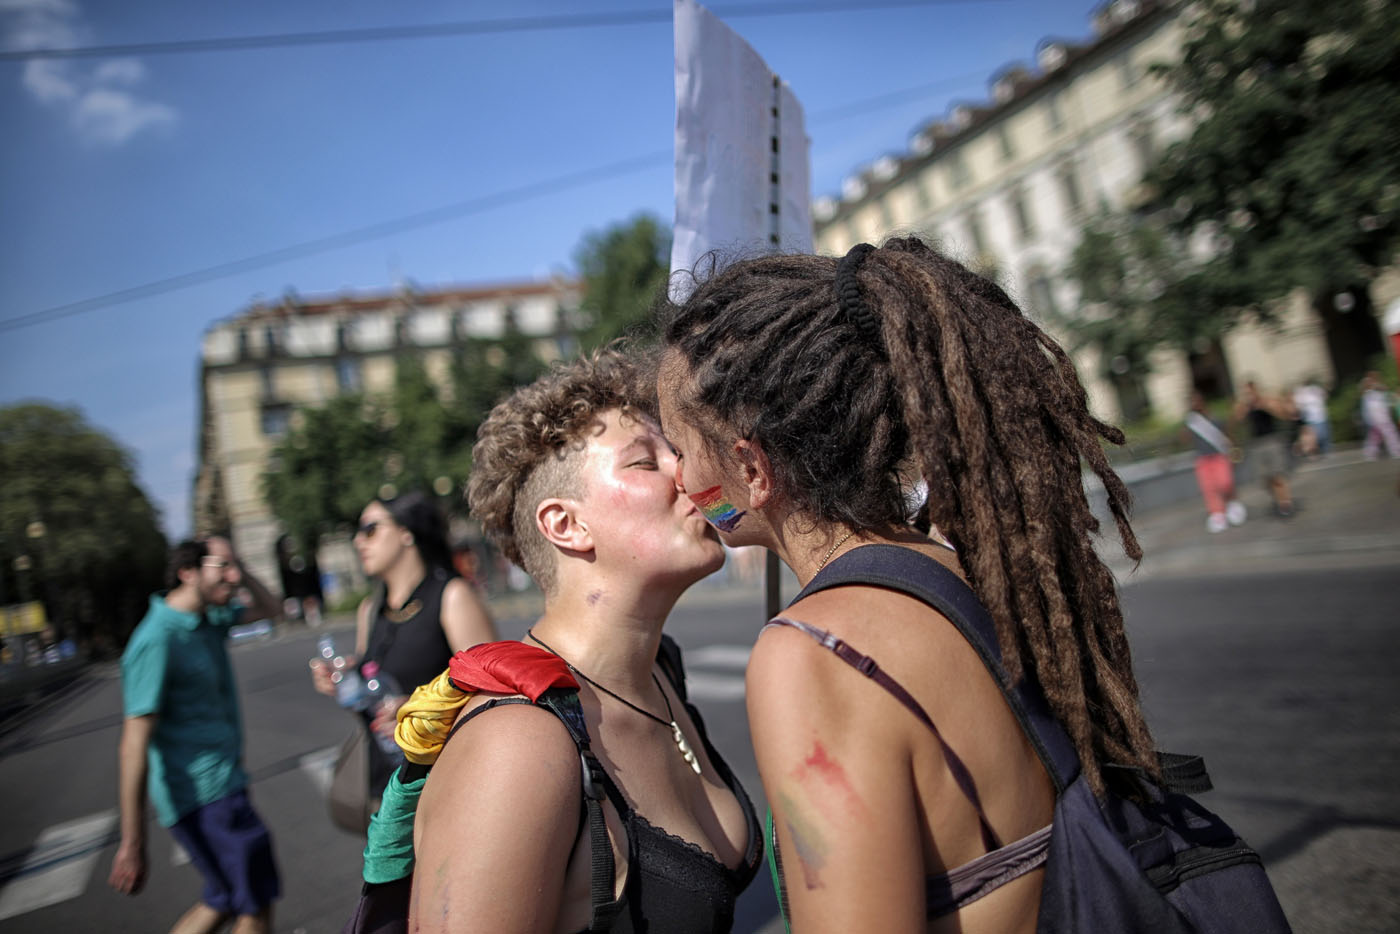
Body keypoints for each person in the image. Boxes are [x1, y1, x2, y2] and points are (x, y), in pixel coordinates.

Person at [656, 239, 1165, 933]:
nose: (680, 481)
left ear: (751, 468)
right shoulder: (958, 565)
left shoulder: (811, 652)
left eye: (680, 450)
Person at [406, 348, 762, 933]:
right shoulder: (517, 745)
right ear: (566, 525)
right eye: (647, 462)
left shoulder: (660, 671)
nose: (684, 472)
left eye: (675, 451)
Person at [108, 536, 283, 934]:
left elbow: (272, 609)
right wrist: (133, 842)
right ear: (187, 572)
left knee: (221, 900)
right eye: (222, 568)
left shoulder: (208, 618)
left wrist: (238, 563)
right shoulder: (156, 640)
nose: (234, 577)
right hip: (206, 797)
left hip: (221, 788)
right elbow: (133, 745)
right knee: (255, 905)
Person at [310, 491, 496, 798]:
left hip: (446, 784)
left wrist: (422, 709)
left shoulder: (452, 596)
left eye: (370, 530)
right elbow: (376, 680)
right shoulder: (370, 610)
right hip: (386, 786)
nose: (359, 542)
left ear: (406, 532)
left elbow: (492, 693)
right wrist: (343, 676)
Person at [1182, 390, 1246, 533]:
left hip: (1218, 456)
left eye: (1196, 401)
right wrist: (1187, 420)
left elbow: (1227, 434)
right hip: (1203, 459)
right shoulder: (1192, 422)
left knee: (1225, 482)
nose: (1194, 404)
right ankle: (1217, 513)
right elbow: (1184, 439)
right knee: (1209, 488)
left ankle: (1232, 503)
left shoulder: (1214, 418)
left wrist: (1233, 449)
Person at [1235, 381, 1296, 517]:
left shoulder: (1267, 401)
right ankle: (1278, 499)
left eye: (1250, 392)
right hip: (1256, 445)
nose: (1249, 395)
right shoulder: (1245, 407)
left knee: (1277, 475)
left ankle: (1285, 503)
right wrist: (1243, 409)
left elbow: (1283, 414)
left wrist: (1265, 405)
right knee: (1265, 479)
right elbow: (1237, 421)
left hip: (1271, 441)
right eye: (1246, 393)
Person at [1360, 370, 1400, 460]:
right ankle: (1396, 450)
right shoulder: (1369, 393)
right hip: (1379, 418)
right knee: (1390, 433)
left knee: (1375, 436)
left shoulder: (1376, 391)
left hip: (1381, 417)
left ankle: (1369, 452)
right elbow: (1366, 391)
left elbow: (1385, 390)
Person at [1292, 377, 1330, 457]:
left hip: (1321, 418)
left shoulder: (1315, 389)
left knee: (1324, 438)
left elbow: (1324, 396)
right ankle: (1313, 453)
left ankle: (1326, 454)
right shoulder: (1300, 392)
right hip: (1311, 420)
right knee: (1314, 440)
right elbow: (1298, 406)